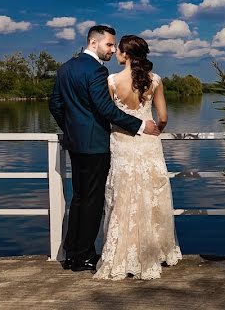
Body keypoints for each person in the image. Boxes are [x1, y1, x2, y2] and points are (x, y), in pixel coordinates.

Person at [49, 25, 161, 272]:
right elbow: (106, 109)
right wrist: (141, 125)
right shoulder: (96, 71)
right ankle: (85, 255)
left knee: (78, 199)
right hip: (96, 145)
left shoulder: (66, 67)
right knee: (92, 201)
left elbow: (55, 104)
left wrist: (71, 129)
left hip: (75, 143)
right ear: (93, 43)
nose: (112, 50)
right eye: (109, 44)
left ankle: (71, 255)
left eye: (113, 45)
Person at [94, 34, 182, 280]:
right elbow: (163, 117)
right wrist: (154, 130)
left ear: (126, 55)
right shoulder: (154, 81)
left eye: (119, 50)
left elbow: (109, 114)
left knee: (123, 196)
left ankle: (123, 253)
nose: (116, 54)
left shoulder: (112, 81)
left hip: (122, 142)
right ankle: (155, 251)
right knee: (152, 193)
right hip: (149, 143)